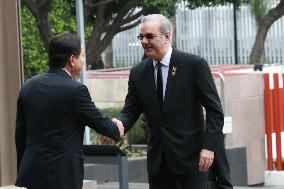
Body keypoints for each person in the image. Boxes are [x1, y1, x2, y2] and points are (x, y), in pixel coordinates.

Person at [114, 14, 232, 189]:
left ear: (166, 36)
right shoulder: (138, 73)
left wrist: (209, 147)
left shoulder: (193, 65)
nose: (144, 42)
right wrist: (118, 124)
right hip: (158, 165)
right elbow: (131, 110)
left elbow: (215, 110)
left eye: (149, 36)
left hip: (192, 161)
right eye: (141, 37)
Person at [15, 33, 124, 189]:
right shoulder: (76, 90)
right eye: (83, 56)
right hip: (63, 175)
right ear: (72, 60)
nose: (84, 60)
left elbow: (20, 134)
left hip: (32, 172)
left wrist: (23, 169)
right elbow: (102, 124)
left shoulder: (28, 86)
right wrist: (116, 128)